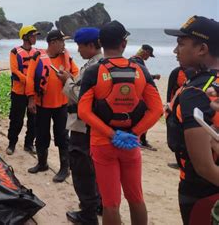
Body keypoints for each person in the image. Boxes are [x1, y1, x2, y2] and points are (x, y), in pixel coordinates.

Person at [78, 20, 163, 225]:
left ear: (100, 42)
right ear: (124, 44)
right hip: (130, 144)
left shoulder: (93, 72)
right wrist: (134, 133)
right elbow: (157, 109)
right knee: (136, 198)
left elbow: (83, 111)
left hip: (102, 143)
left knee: (111, 204)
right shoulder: (140, 70)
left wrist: (111, 134)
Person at [164, 16, 219, 224]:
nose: (175, 51)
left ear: (202, 49)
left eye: (181, 43)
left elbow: (204, 167)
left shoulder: (195, 92)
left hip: (200, 191)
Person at [26, 30, 79, 183]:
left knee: (62, 136)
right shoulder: (37, 57)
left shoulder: (67, 57)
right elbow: (30, 79)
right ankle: (42, 163)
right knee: (41, 134)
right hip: (42, 104)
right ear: (54, 42)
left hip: (61, 105)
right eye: (62, 41)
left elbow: (76, 75)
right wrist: (31, 100)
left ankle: (64, 168)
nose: (64, 44)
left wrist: (68, 77)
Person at [63, 28, 103, 224]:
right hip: (99, 127)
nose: (78, 50)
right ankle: (99, 204)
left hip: (83, 127)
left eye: (80, 46)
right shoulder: (106, 64)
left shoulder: (92, 68)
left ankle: (88, 214)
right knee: (97, 169)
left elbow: (80, 96)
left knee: (82, 171)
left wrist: (67, 81)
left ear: (90, 45)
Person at [6, 25, 40, 155]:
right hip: (19, 92)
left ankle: (29, 144)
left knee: (34, 120)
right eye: (33, 35)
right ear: (25, 37)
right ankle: (12, 143)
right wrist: (28, 80)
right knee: (16, 119)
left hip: (33, 93)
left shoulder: (37, 52)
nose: (35, 38)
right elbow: (15, 71)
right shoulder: (14, 52)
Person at [130, 44, 160, 151]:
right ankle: (141, 139)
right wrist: (153, 77)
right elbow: (142, 76)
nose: (148, 57)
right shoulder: (137, 61)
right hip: (140, 94)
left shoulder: (132, 60)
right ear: (145, 52)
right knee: (145, 115)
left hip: (135, 92)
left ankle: (141, 139)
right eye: (149, 55)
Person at [166, 65, 189, 169]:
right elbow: (170, 88)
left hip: (188, 107)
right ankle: (179, 161)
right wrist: (168, 103)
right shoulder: (176, 72)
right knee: (176, 135)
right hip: (176, 107)